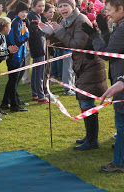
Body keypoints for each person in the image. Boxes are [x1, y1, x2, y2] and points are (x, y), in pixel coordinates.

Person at [40, 0, 107, 150]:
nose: (62, 9)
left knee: (86, 102)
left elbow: (77, 45)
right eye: (60, 6)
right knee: (85, 101)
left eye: (65, 6)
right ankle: (90, 137)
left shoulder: (80, 20)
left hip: (90, 65)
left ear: (73, 6)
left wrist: (59, 31)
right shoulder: (67, 20)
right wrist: (50, 33)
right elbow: (65, 42)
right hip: (82, 65)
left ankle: (92, 140)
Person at [81, 0, 124, 172]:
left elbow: (107, 53)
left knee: (121, 123)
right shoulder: (120, 26)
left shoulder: (122, 28)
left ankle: (119, 162)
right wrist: (105, 31)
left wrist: (94, 36)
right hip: (119, 78)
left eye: (110, 10)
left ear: (121, 9)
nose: (107, 13)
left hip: (121, 81)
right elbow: (114, 47)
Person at [0, 1, 29, 112]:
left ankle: (5, 102)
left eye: (26, 12)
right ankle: (14, 105)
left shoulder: (22, 22)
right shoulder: (15, 23)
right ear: (17, 11)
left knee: (13, 81)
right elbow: (16, 42)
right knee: (13, 81)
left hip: (19, 55)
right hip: (14, 57)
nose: (24, 14)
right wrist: (26, 36)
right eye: (22, 11)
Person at [28, 0, 50, 104]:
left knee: (36, 72)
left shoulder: (36, 15)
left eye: (43, 6)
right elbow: (35, 33)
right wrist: (46, 29)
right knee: (39, 73)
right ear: (33, 6)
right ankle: (41, 96)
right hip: (38, 47)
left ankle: (35, 94)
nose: (42, 8)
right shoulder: (33, 16)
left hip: (38, 47)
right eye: (39, 6)